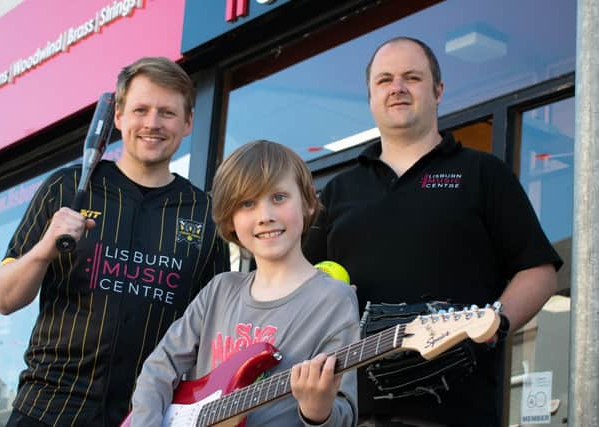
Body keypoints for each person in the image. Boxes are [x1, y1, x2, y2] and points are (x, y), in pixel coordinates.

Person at [303, 37, 563, 427]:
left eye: (413, 77)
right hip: (354, 415)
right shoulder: (339, 191)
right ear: (371, 96)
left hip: (457, 413)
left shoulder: (482, 173)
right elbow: (301, 288)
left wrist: (494, 325)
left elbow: (539, 270)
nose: (398, 88)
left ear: (438, 91)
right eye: (384, 80)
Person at [0, 57, 230, 426]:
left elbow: (212, 334)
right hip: (46, 411)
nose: (152, 123)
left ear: (188, 123)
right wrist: (44, 248)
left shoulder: (204, 214)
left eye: (167, 113)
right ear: (118, 116)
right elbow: (4, 299)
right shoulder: (68, 188)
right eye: (140, 109)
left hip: (143, 417)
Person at [129, 140, 360, 427]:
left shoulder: (332, 299)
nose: (265, 216)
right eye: (247, 203)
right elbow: (159, 368)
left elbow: (345, 412)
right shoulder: (220, 290)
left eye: (279, 197)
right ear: (230, 219)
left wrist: (318, 411)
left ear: (308, 202)